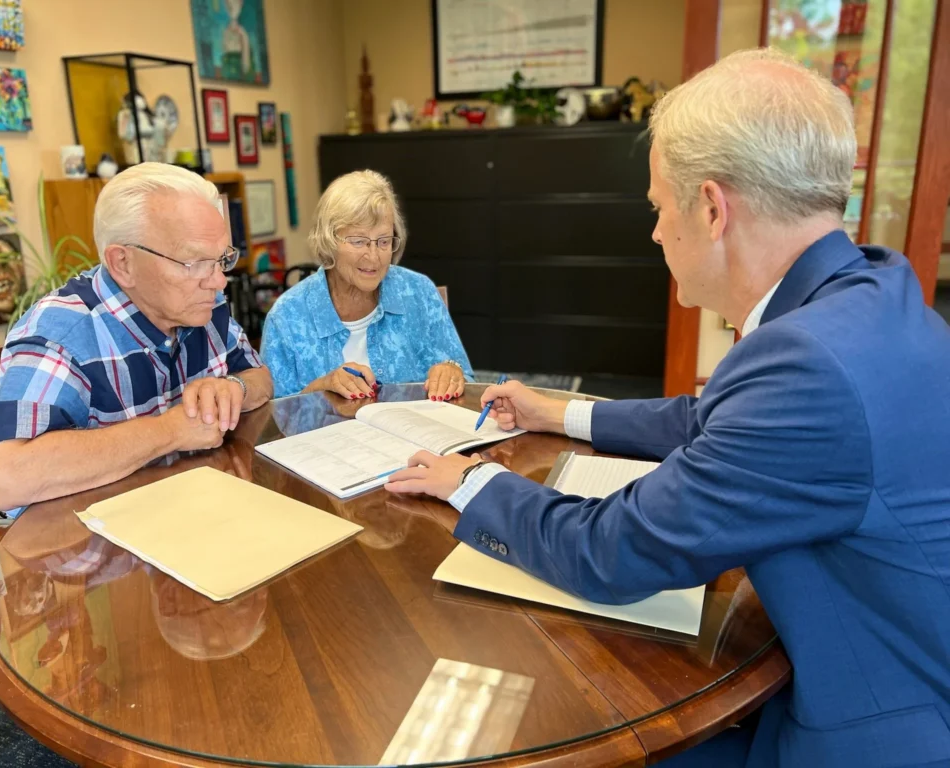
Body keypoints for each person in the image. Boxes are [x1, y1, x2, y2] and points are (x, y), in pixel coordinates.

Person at [385, 48, 950, 767]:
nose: (655, 234)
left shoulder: (808, 367)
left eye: (657, 208)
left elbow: (612, 551)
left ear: (712, 208)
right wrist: (560, 413)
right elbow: (716, 422)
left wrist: (469, 483)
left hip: (876, 728)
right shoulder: (868, 289)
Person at [0, 162, 273, 515]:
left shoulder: (201, 303)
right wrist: (171, 429)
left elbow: (260, 379)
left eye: (221, 259)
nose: (218, 281)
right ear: (122, 263)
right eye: (193, 261)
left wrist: (234, 388)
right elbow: (3, 478)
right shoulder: (62, 332)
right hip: (85, 548)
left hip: (187, 511)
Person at [260, 170, 473, 400]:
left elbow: (468, 383)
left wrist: (453, 372)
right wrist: (322, 388)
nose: (374, 257)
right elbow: (274, 419)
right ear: (328, 240)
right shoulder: (287, 317)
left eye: (383, 241)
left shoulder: (418, 292)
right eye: (359, 241)